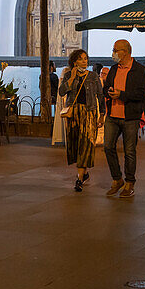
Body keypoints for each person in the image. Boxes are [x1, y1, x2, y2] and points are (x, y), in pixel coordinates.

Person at [103, 39, 145, 198]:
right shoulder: (114, 69)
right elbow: (106, 87)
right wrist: (109, 91)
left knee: (129, 151)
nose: (113, 52)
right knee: (108, 147)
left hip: (130, 117)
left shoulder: (139, 70)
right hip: (112, 115)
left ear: (126, 52)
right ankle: (117, 179)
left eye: (115, 50)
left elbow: (141, 94)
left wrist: (121, 95)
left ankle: (129, 182)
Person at [59, 48, 104, 192]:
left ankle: (79, 178)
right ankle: (83, 173)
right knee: (75, 144)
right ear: (74, 61)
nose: (84, 61)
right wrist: (72, 78)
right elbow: (61, 92)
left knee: (86, 143)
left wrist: (101, 115)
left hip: (89, 112)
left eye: (85, 58)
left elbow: (100, 97)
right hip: (73, 112)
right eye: (80, 58)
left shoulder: (93, 76)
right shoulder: (68, 75)